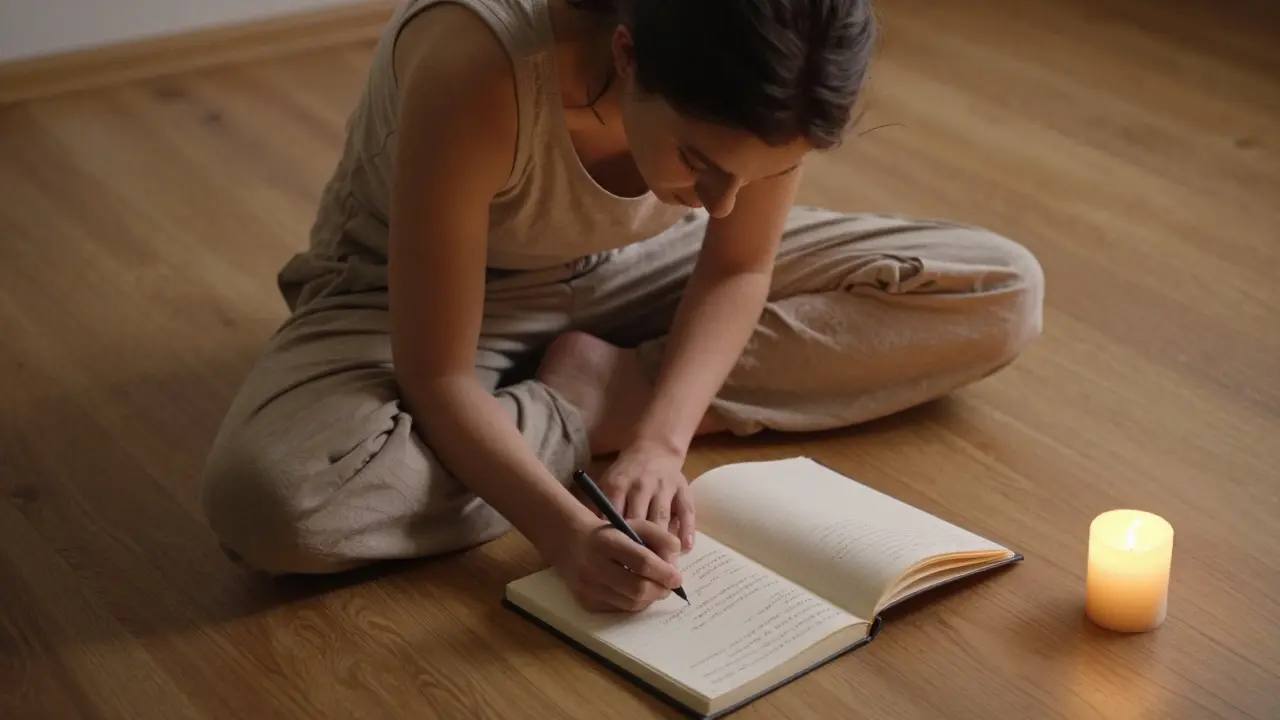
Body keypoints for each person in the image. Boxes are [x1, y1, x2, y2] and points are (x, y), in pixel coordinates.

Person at [200, 0, 1043, 613]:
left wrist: (662, 438)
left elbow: (736, 267)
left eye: (755, 176)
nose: (719, 204)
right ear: (629, 53)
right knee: (275, 505)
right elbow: (439, 369)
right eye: (699, 162)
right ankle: (577, 403)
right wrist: (565, 534)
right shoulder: (478, 60)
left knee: (998, 290)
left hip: (637, 268)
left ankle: (623, 391)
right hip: (423, 297)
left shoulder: (775, 70)